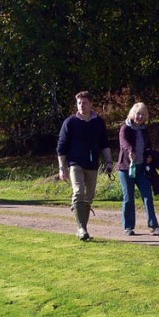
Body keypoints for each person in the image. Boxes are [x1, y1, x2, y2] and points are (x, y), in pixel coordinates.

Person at [57, 91, 112, 241]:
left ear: (91, 104)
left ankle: (82, 227)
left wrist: (109, 162)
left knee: (89, 197)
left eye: (84, 102)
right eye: (79, 103)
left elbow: (104, 144)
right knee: (79, 192)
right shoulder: (70, 122)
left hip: (92, 164)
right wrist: (62, 168)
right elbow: (61, 147)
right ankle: (82, 228)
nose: (81, 105)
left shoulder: (98, 122)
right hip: (75, 163)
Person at [116, 102, 159, 236]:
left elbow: (148, 146)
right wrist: (131, 151)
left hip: (142, 168)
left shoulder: (144, 129)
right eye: (138, 114)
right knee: (128, 198)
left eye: (143, 114)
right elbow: (124, 143)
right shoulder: (125, 128)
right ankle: (128, 227)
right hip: (126, 168)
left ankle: (154, 225)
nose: (140, 117)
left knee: (148, 196)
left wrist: (149, 156)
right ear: (133, 114)